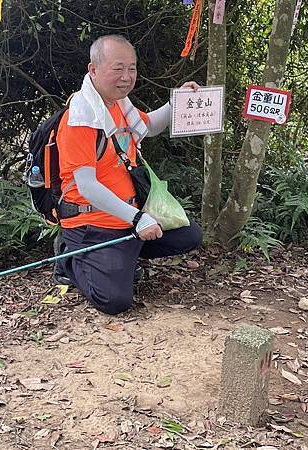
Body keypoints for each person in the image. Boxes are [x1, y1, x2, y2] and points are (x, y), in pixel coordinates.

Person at [52, 34, 203, 315]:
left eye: (131, 68)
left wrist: (177, 101)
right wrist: (138, 218)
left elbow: (151, 125)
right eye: (117, 68)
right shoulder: (82, 117)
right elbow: (87, 186)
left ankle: (123, 256)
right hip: (91, 224)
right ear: (93, 70)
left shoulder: (120, 105)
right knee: (114, 301)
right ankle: (69, 258)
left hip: (128, 218)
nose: (126, 76)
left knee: (189, 235)